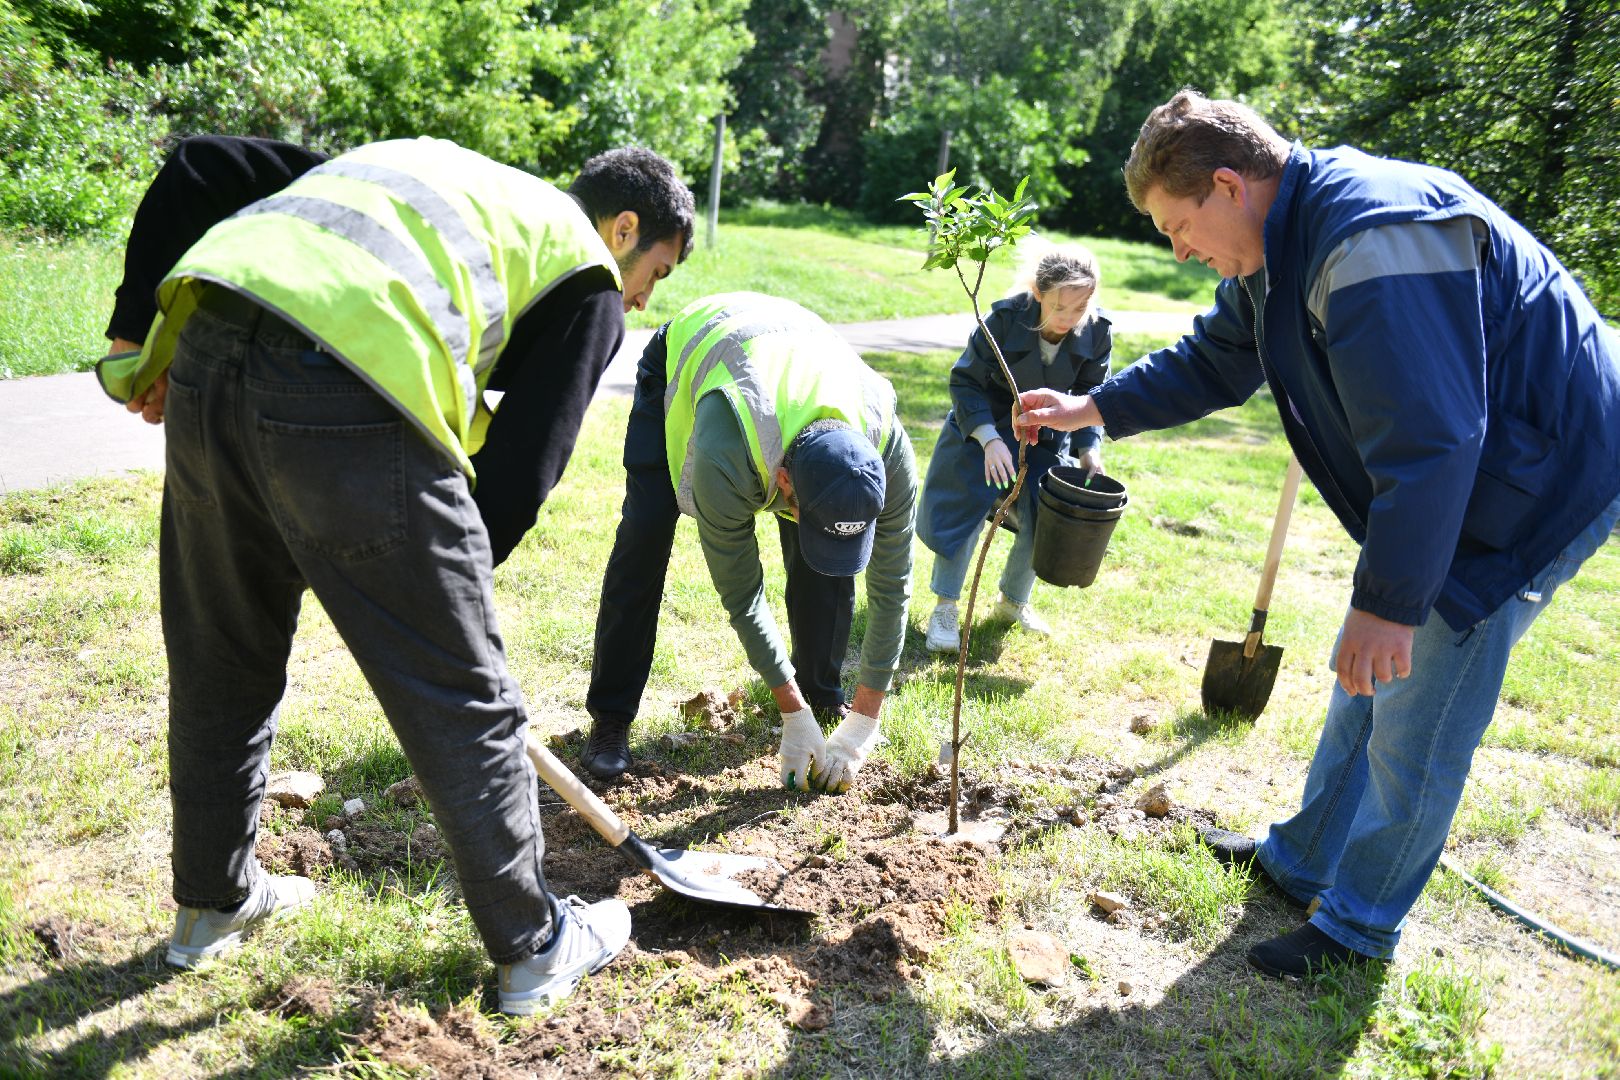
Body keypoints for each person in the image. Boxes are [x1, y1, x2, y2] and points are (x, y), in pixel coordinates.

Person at [1017, 90, 1620, 978]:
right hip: (1463, 467)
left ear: (1230, 186)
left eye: (1179, 228)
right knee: (1363, 675)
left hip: (1541, 472)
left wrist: (1391, 603)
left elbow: (1433, 441)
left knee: (1417, 699)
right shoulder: (1279, 241)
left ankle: (1359, 927)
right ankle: (1303, 861)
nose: (1179, 252)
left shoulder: (1371, 240)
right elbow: (1215, 360)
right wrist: (1092, 406)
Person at [98, 134, 695, 1014]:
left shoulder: (436, 183)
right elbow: (517, 481)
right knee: (465, 691)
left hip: (208, 350)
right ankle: (535, 947)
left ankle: (211, 903)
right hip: (350, 378)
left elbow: (203, 164)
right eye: (657, 273)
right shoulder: (589, 278)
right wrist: (424, 615)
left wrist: (130, 334)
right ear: (625, 229)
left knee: (222, 655)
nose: (642, 298)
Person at [581, 291, 917, 791]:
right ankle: (611, 718)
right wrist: (788, 709)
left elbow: (892, 587)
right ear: (782, 481)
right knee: (644, 538)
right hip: (696, 358)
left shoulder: (887, 450)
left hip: (796, 355)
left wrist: (864, 721)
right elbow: (742, 594)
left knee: (826, 555)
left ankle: (822, 695)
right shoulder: (727, 451)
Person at [918, 241, 1112, 653]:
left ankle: (1013, 601)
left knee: (1047, 513)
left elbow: (1091, 394)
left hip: (1044, 434)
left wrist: (1088, 449)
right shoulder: (1004, 319)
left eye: (1080, 308)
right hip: (981, 427)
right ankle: (946, 607)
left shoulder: (1096, 331)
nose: (1069, 318)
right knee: (965, 506)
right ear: (1038, 293)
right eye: (1060, 308)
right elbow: (965, 383)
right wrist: (989, 439)